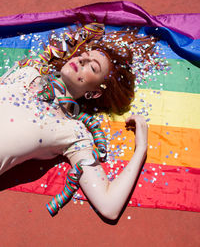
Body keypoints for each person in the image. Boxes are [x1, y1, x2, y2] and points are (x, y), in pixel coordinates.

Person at [0, 23, 156, 220]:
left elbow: (109, 206)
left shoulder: (73, 132)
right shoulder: (28, 71)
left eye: (92, 66)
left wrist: (141, 148)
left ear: (94, 93)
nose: (82, 60)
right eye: (83, 55)